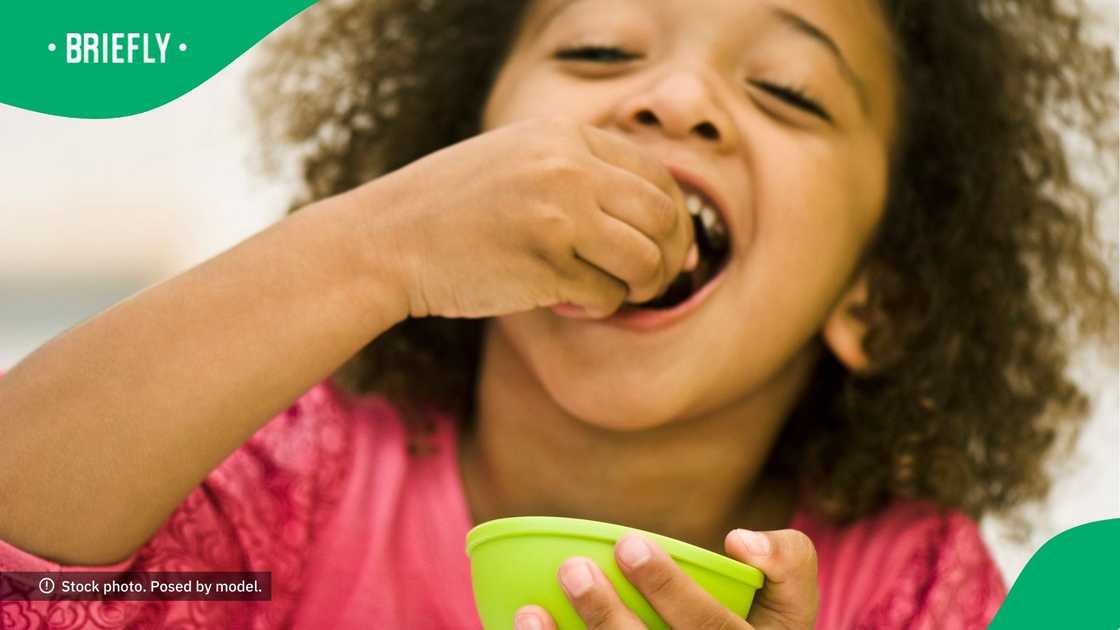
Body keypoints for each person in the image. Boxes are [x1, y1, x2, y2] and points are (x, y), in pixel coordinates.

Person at [0, 0, 1116, 628]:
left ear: (883, 297)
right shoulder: (307, 474)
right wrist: (371, 246)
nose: (672, 98)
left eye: (785, 90)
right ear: (456, 164)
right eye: (597, 50)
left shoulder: (915, 587)